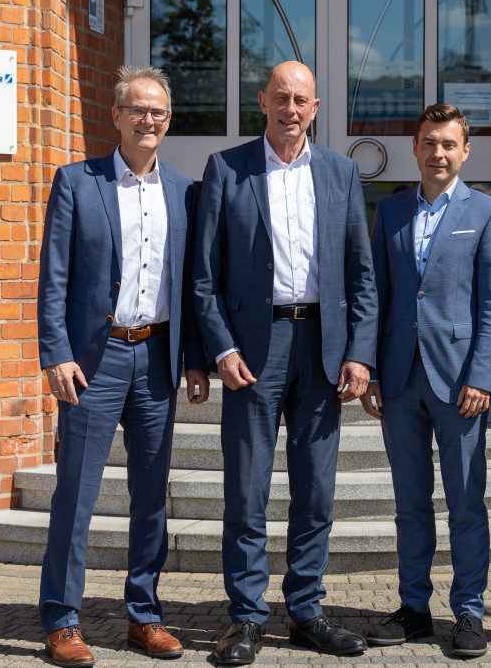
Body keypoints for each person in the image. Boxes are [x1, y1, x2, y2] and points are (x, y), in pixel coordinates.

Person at [193, 61, 377, 665]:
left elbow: (360, 275)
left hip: (321, 349)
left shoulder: (340, 172)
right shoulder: (228, 168)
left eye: (300, 100)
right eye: (280, 98)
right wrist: (220, 346)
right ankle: (246, 616)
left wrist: (358, 352)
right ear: (262, 102)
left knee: (316, 491)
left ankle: (306, 609)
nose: (290, 109)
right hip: (253, 349)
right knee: (246, 492)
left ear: (316, 107)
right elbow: (204, 276)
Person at [37, 65, 209, 667]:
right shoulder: (77, 183)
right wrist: (55, 352)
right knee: (76, 494)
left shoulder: (186, 192)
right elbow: (53, 276)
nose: (148, 121)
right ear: (116, 116)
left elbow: (192, 285)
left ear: (168, 120)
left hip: (158, 357)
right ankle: (61, 621)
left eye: (158, 112)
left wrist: (194, 359)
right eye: (137, 110)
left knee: (150, 497)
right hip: (95, 358)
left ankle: (145, 615)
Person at [360, 104, 491, 658]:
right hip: (400, 380)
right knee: (410, 502)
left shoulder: (489, 213)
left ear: (465, 150)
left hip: (461, 384)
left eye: (449, 144)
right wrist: (372, 368)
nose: (439, 153)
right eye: (429, 143)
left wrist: (484, 376)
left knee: (467, 502)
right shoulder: (392, 209)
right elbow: (376, 294)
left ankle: (469, 612)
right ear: (416, 148)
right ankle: (414, 607)